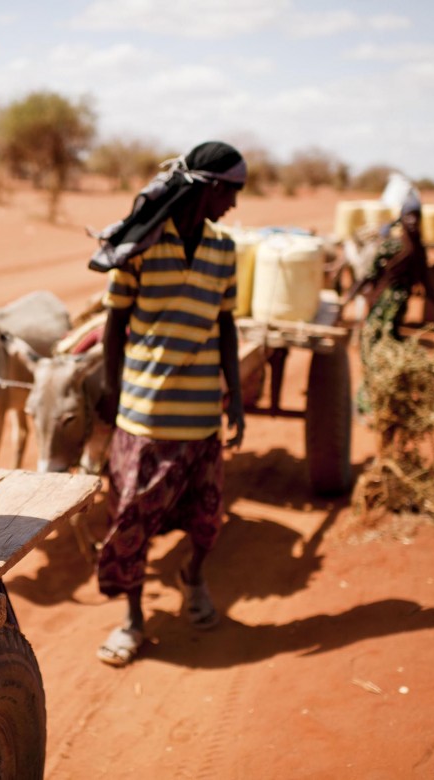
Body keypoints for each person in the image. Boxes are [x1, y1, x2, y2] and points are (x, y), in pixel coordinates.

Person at [90, 141, 247, 667]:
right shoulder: (141, 245)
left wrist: (237, 396)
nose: (234, 205)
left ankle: (193, 577)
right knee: (132, 520)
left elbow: (225, 325)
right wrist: (112, 392)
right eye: (232, 192)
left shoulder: (225, 249)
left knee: (207, 518)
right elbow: (115, 322)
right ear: (210, 188)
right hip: (145, 414)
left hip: (203, 414)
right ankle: (133, 619)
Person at [344, 190, 434, 416]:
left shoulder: (418, 250)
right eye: (409, 217)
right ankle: (366, 403)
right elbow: (368, 275)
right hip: (379, 309)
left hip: (396, 313)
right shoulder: (392, 247)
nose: (413, 221)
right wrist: (349, 297)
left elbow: (425, 280)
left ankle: (385, 400)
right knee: (371, 353)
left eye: (416, 217)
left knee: (389, 354)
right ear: (401, 219)